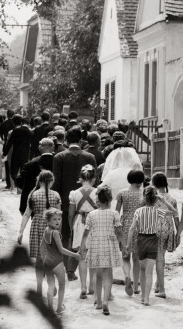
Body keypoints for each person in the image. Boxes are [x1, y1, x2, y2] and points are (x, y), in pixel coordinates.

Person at [52, 126, 96, 281]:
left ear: (66, 139)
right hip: (88, 207)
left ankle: (67, 268)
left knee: (66, 235)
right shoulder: (90, 157)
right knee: (86, 238)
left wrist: (54, 204)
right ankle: (77, 267)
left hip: (65, 202)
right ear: (81, 140)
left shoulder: (59, 157)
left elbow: (55, 183)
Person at [80, 184, 127, 315]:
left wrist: (82, 246)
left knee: (98, 275)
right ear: (110, 200)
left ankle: (99, 301)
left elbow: (85, 232)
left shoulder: (91, 214)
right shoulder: (114, 213)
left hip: (95, 246)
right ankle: (106, 300)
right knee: (108, 274)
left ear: (98, 201)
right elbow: (119, 232)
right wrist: (124, 246)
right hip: (109, 246)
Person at [127, 186, 178, 306]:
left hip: (141, 241)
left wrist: (128, 245)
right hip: (153, 241)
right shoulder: (158, 211)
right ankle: (147, 299)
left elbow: (132, 229)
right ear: (155, 199)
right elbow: (174, 212)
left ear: (144, 198)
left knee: (142, 271)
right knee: (149, 272)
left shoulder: (138, 211)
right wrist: (164, 201)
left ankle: (142, 297)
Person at [17, 171, 61, 295]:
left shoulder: (33, 195)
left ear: (39, 180)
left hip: (37, 227)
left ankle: (39, 288)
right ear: (51, 181)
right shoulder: (56, 195)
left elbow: (26, 214)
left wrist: (21, 232)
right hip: (52, 227)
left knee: (39, 259)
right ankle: (52, 285)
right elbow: (59, 215)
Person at [41, 208, 81, 314]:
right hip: (57, 262)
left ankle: (49, 309)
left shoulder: (46, 231)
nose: (57, 221)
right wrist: (75, 254)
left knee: (50, 286)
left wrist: (42, 260)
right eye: (54, 219)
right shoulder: (55, 233)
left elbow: (42, 247)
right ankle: (59, 308)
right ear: (48, 220)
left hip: (47, 262)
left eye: (59, 219)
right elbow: (61, 249)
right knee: (62, 285)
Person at [68, 165, 97, 299]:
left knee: (82, 256)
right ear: (94, 179)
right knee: (93, 256)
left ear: (81, 178)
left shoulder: (74, 193)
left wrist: (71, 227)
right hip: (95, 223)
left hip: (80, 223)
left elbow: (70, 213)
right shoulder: (97, 192)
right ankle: (92, 286)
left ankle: (83, 287)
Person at [116, 169, 145, 296]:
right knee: (137, 257)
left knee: (125, 255)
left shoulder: (122, 193)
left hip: (125, 224)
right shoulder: (143, 194)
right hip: (139, 225)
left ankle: (127, 275)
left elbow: (117, 212)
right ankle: (136, 286)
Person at [152, 172, 179, 298]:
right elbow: (176, 217)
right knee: (161, 257)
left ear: (153, 184)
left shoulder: (153, 198)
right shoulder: (172, 199)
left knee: (159, 258)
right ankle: (158, 284)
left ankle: (161, 289)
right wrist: (178, 234)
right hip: (168, 229)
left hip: (156, 229)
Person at [17, 138, 55, 215]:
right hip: (55, 201)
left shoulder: (30, 164)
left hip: (36, 203)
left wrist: (23, 206)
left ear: (39, 148)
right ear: (53, 147)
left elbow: (23, 184)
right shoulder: (59, 161)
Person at [3, 114, 33, 188]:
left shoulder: (16, 130)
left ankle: (17, 183)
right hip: (25, 154)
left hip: (16, 153)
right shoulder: (31, 132)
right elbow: (32, 146)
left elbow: (10, 142)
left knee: (13, 171)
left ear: (22, 122)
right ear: (29, 123)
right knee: (23, 171)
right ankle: (22, 185)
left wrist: (5, 153)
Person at [0, 109, 15, 190]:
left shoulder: (4, 124)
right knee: (16, 164)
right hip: (16, 144)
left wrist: (4, 141)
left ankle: (9, 184)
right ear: (13, 114)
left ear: (7, 115)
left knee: (7, 165)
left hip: (7, 144)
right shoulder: (16, 122)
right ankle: (15, 183)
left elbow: (0, 134)